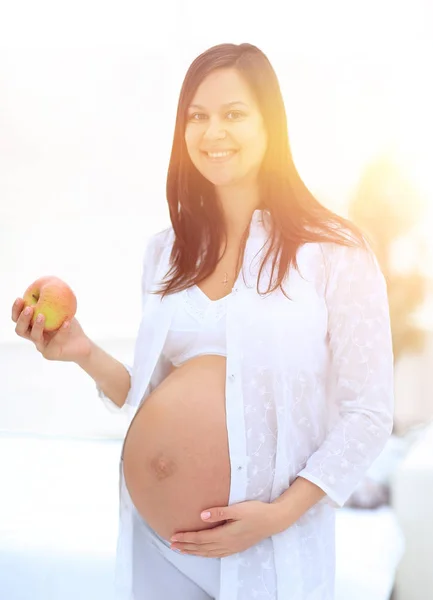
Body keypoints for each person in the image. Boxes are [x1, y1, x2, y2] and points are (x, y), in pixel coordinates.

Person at [11, 42, 394, 600]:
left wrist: (279, 515)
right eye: (197, 116)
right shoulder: (165, 254)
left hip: (268, 548)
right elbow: (156, 396)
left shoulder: (334, 252)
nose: (213, 132)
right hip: (158, 546)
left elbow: (368, 413)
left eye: (234, 114)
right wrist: (82, 351)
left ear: (272, 125)